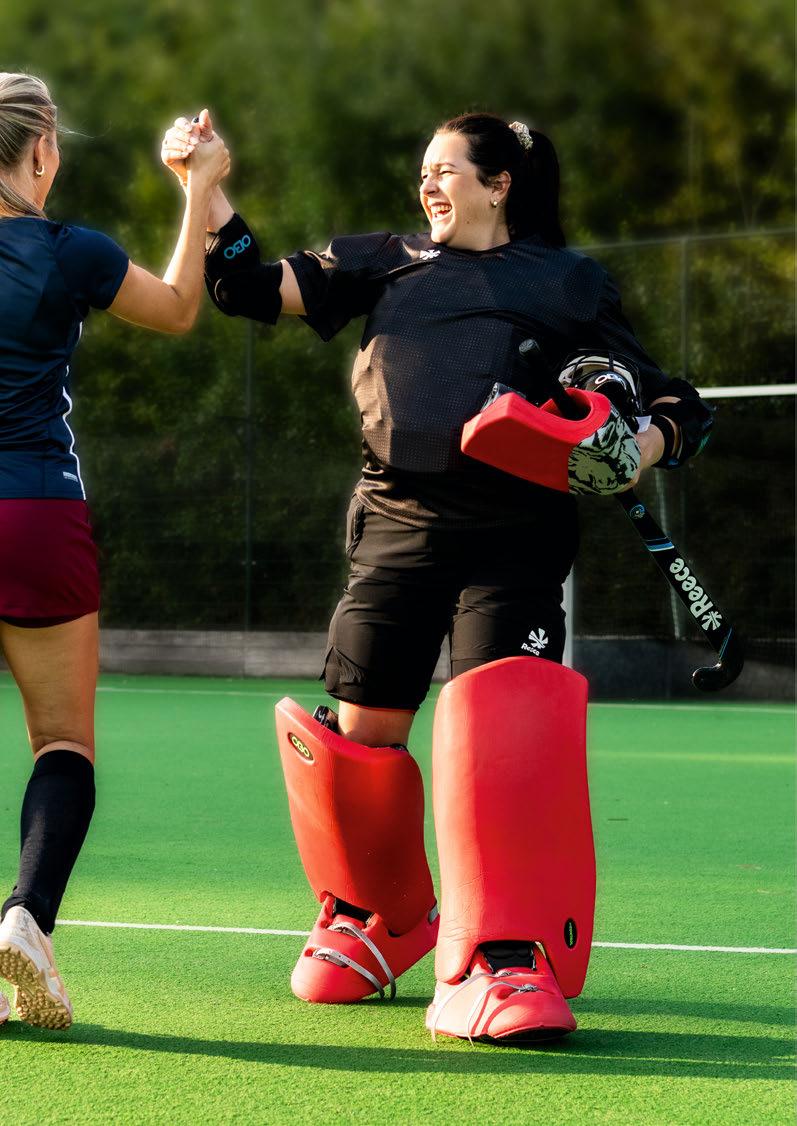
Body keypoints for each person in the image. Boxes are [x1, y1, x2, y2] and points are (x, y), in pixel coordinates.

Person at [163, 110, 712, 1042]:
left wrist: (639, 444)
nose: (427, 183)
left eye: (446, 169)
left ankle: (501, 952)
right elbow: (245, 287)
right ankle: (378, 918)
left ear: (498, 185)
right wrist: (206, 187)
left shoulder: (565, 280)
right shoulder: (384, 261)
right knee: (361, 733)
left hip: (514, 536)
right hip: (395, 523)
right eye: (423, 170)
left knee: (503, 726)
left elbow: (671, 402)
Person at [0, 76, 229, 1030]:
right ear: (42, 149)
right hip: (35, 511)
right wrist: (198, 185)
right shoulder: (70, 250)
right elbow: (176, 308)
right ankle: (24, 919)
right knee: (63, 745)